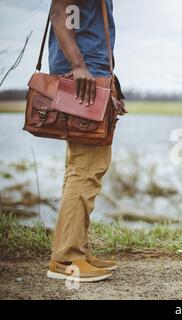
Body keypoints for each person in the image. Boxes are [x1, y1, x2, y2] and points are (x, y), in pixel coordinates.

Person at [46, 0, 126, 282]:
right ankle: (68, 257)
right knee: (88, 166)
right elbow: (59, 12)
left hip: (89, 75)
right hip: (85, 78)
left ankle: (74, 248)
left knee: (82, 165)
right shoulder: (81, 69)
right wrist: (78, 65)